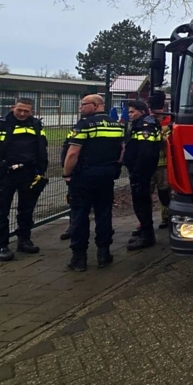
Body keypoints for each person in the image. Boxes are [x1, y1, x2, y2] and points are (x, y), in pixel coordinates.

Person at [0, 97, 47, 261]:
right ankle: (0, 246)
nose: (22, 113)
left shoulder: (36, 125)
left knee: (26, 210)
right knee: (1, 211)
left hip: (29, 173)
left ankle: (24, 240)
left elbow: (41, 147)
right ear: (12, 108)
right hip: (5, 174)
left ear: (32, 111)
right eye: (19, 110)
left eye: (26, 111)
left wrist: (41, 169)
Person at [63, 95, 124, 271]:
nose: (81, 108)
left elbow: (73, 153)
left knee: (80, 216)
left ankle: (79, 258)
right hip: (106, 176)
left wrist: (67, 174)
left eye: (84, 104)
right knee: (104, 214)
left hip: (83, 177)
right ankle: (104, 254)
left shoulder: (84, 125)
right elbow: (122, 151)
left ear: (96, 105)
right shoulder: (116, 125)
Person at [123, 100, 163, 250]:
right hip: (141, 171)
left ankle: (147, 236)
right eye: (129, 112)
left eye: (132, 112)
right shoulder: (144, 123)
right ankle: (145, 233)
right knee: (141, 203)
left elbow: (145, 152)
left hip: (141, 172)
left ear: (142, 111)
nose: (130, 114)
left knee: (141, 204)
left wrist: (137, 172)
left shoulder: (145, 126)